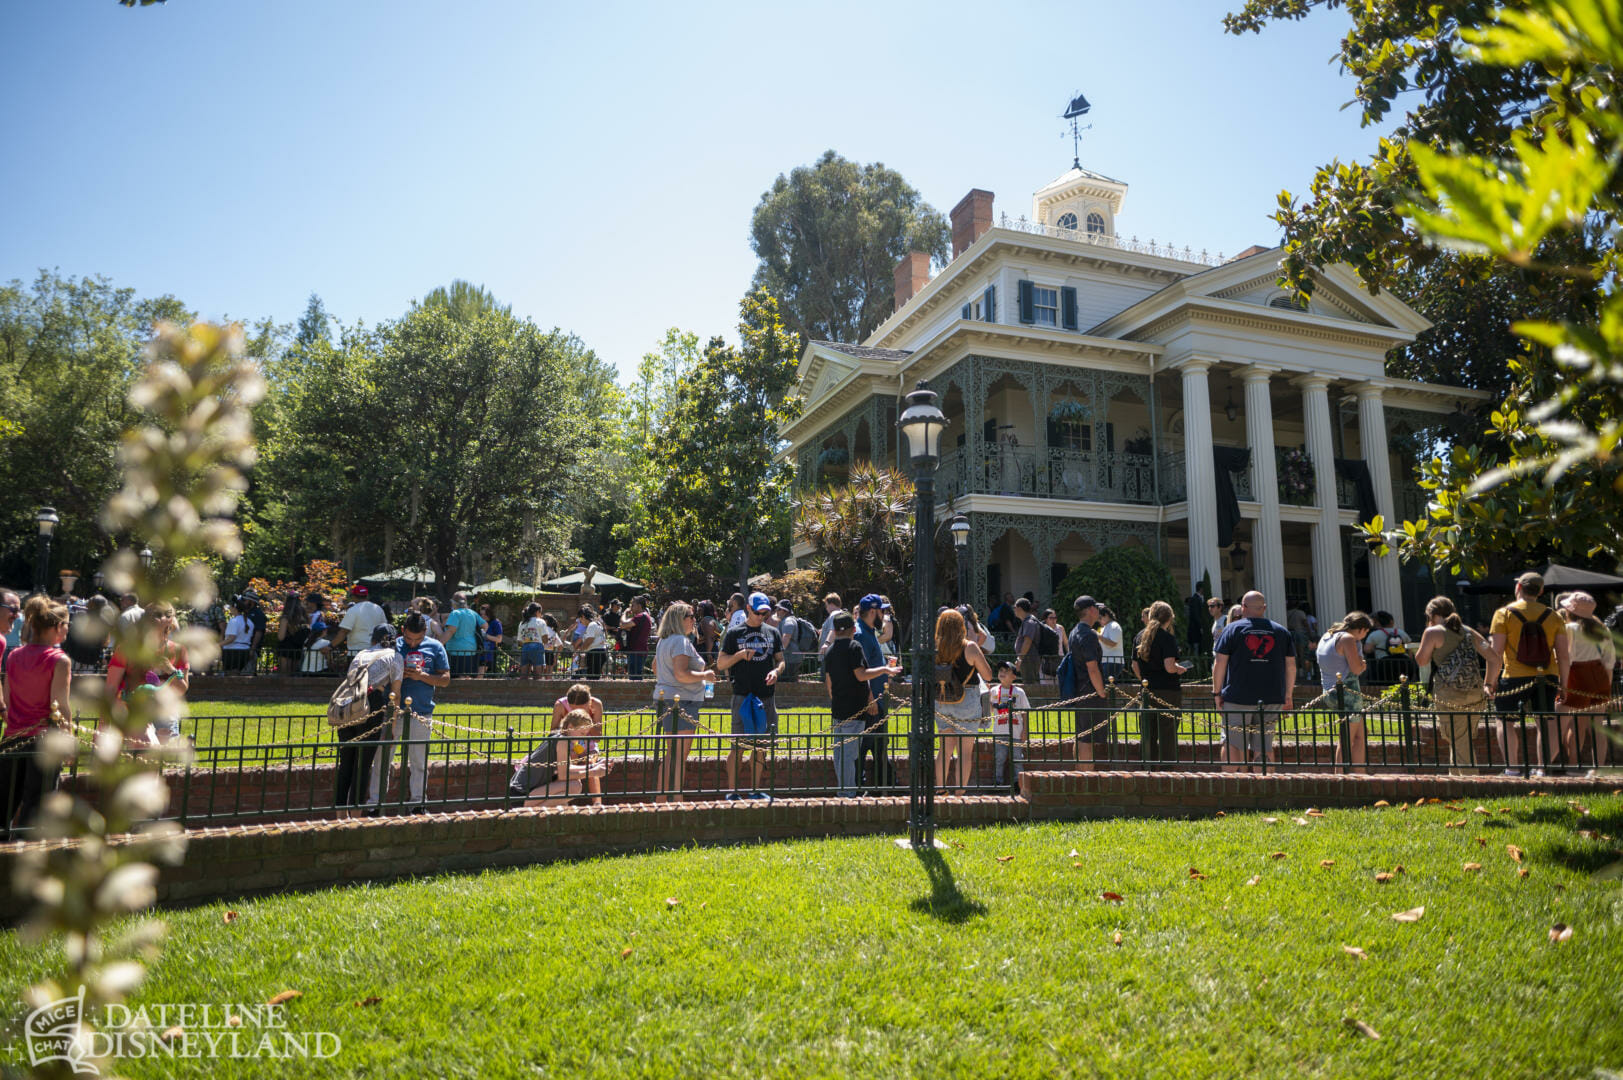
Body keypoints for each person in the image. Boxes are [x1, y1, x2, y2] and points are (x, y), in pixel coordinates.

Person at [1486, 571, 1571, 776]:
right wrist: (1564, 685)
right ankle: (1543, 769)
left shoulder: (1503, 614)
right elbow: (1563, 655)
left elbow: (1496, 653)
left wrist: (1490, 681)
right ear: (1541, 591)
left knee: (1505, 721)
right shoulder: (1554, 616)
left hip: (1514, 675)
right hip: (1547, 675)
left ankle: (1512, 769)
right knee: (1546, 721)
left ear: (1518, 588)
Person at [1, 596, 71, 835]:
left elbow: (8, 703)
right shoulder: (59, 660)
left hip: (12, 738)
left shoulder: (13, 656)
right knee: (36, 807)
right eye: (67, 624)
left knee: (4, 805)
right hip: (44, 742)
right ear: (57, 627)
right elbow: (60, 706)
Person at [369, 612, 449, 813]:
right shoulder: (392, 646)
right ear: (403, 631)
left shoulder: (435, 646)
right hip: (391, 710)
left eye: (418, 639)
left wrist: (423, 676)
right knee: (382, 759)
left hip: (421, 711)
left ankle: (417, 804)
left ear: (425, 632)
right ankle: (374, 804)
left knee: (419, 760)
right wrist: (395, 674)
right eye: (409, 639)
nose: (413, 643)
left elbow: (446, 679)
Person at [1212, 591, 1295, 772]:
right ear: (1264, 608)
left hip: (1238, 696)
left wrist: (1216, 693)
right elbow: (1291, 667)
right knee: (1264, 746)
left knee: (1233, 743)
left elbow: (1219, 664)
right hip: (1272, 696)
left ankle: (1233, 786)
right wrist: (1287, 695)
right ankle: (1264, 788)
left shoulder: (1231, 629)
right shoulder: (1282, 632)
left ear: (1243, 608)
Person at [824, 610, 901, 797]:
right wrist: (884, 669)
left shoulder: (830, 650)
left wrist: (836, 699)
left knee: (840, 754)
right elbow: (861, 675)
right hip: (855, 709)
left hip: (838, 709)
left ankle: (843, 790)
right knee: (850, 755)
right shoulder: (854, 646)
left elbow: (828, 681)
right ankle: (847, 794)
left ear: (834, 630)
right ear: (852, 628)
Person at [1415, 596, 1495, 774]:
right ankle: (1455, 779)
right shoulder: (1469, 631)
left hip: (1449, 694)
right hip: (1475, 693)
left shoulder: (1433, 632)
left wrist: (1428, 636)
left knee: (1459, 739)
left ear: (1432, 615)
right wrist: (1488, 684)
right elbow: (1494, 658)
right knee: (1460, 738)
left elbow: (1421, 660)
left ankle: (1471, 784)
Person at [716, 593, 783, 799]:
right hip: (742, 695)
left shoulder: (773, 632)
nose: (761, 616)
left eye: (765, 612)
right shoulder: (734, 633)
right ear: (747, 608)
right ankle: (732, 791)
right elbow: (720, 664)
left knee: (761, 746)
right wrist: (739, 655)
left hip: (766, 697)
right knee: (738, 746)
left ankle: (755, 790)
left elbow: (781, 660)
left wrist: (776, 672)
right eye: (757, 612)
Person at [333, 623, 402, 817]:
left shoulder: (360, 654)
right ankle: (355, 815)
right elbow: (395, 695)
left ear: (373, 638)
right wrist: (392, 726)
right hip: (371, 703)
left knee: (346, 762)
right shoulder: (395, 657)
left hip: (347, 704)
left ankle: (339, 815)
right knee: (363, 764)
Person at [652, 601, 714, 801]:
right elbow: (681, 674)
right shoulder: (680, 641)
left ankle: (662, 800)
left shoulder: (665, 640)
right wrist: (706, 676)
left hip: (667, 698)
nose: (694, 620)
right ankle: (675, 801)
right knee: (678, 756)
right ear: (680, 619)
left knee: (672, 754)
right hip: (682, 702)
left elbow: (655, 668)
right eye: (691, 616)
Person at [105, 601, 190, 745]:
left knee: (164, 758)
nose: (150, 619)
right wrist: (103, 724)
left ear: (169, 619)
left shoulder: (178, 650)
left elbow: (182, 689)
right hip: (133, 708)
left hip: (164, 711)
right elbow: (110, 688)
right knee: (145, 752)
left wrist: (171, 670)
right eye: (147, 615)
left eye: (157, 615)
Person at [933, 607, 995, 793]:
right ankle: (959, 794)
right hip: (967, 698)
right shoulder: (969, 647)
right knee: (965, 752)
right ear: (961, 625)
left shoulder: (935, 648)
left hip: (943, 698)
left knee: (944, 749)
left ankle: (940, 790)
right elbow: (988, 675)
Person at [1559, 591, 1615, 773]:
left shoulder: (1570, 629)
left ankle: (1573, 765)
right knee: (1598, 726)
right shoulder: (1602, 629)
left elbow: (1566, 657)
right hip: (1600, 676)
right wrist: (1607, 684)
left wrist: (1562, 684)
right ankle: (1598, 767)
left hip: (1578, 674)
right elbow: (1610, 661)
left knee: (1576, 725)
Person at [1132, 601, 1189, 766]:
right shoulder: (1168, 638)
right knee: (1168, 731)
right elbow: (1169, 667)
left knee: (1148, 731)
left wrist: (1144, 680)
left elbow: (1134, 665)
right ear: (1169, 618)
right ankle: (1167, 769)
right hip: (1168, 690)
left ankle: (1147, 766)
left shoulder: (1139, 636)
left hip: (1147, 690)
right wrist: (1179, 669)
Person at [1316, 612, 1374, 769]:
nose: (1365, 636)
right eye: (1366, 632)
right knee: (1346, 739)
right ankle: (1340, 778)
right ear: (1361, 629)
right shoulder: (1348, 639)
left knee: (1361, 736)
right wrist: (1362, 665)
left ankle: (1359, 775)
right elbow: (1356, 669)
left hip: (1329, 690)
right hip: (1347, 693)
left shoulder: (1328, 635)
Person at [514, 708, 606, 806]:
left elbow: (567, 768)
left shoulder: (559, 737)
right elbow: (564, 775)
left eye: (586, 734)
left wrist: (594, 766)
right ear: (570, 727)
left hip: (524, 793)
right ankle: (533, 813)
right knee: (574, 786)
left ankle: (536, 812)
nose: (583, 737)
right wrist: (593, 772)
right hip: (521, 794)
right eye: (582, 733)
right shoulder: (562, 741)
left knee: (565, 797)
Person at [852, 595, 895, 793]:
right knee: (864, 747)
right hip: (871, 702)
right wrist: (870, 700)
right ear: (872, 612)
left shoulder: (869, 631)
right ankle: (859, 788)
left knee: (879, 746)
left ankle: (882, 788)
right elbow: (861, 671)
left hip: (878, 699)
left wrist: (886, 670)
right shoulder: (861, 634)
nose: (885, 615)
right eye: (882, 611)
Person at [1067, 595, 1111, 768]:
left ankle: (1080, 775)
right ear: (1091, 610)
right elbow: (1092, 667)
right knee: (1088, 738)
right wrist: (1101, 691)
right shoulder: (1088, 635)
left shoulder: (1075, 631)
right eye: (1097, 608)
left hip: (1079, 690)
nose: (1099, 612)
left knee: (1081, 735)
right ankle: (1085, 779)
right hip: (1090, 691)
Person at [550, 684, 604, 805]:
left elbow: (598, 737)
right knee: (571, 760)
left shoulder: (596, 705)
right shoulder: (560, 705)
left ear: (588, 702)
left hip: (589, 747)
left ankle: (598, 804)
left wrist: (585, 725)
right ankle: (564, 801)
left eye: (580, 708)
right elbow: (552, 733)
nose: (576, 712)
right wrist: (569, 729)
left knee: (590, 763)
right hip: (568, 746)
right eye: (572, 709)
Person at [989, 660, 1031, 786]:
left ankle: (1018, 782)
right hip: (999, 732)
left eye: (1006, 671)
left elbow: (1025, 712)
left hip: (1016, 733)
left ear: (1014, 676)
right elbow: (990, 710)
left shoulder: (1019, 692)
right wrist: (986, 696)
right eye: (1001, 670)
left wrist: (1025, 731)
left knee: (1017, 758)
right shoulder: (994, 691)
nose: (1002, 673)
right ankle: (998, 781)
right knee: (999, 758)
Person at [329, 584, 386, 656]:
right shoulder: (378, 608)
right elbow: (384, 628)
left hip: (357, 652)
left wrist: (330, 646)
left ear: (353, 596)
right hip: (376, 651)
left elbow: (344, 631)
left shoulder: (353, 610)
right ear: (367, 596)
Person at [439, 592, 486, 678]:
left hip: (456, 651)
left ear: (454, 602)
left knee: (457, 678)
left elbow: (450, 631)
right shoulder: (473, 613)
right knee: (467, 677)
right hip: (471, 650)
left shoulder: (455, 613)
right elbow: (485, 625)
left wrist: (438, 644)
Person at [777, 600, 811, 683]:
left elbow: (786, 637)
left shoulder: (788, 621)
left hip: (789, 659)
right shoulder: (788, 620)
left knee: (784, 684)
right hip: (792, 658)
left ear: (784, 610)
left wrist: (778, 654)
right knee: (791, 683)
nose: (776, 611)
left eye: (778, 609)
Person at [1012, 597, 1042, 688]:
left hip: (1029, 659)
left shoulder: (1029, 622)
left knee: (1029, 685)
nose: (1013, 610)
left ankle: (1031, 702)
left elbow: (1027, 642)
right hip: (1027, 658)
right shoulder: (1027, 621)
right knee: (1028, 683)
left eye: (1014, 607)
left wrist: (1020, 658)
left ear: (1020, 608)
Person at [624, 595, 654, 681]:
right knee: (634, 678)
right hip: (637, 651)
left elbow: (623, 625)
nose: (630, 607)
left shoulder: (641, 616)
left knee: (635, 679)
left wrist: (624, 614)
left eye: (633, 605)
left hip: (637, 651)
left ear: (639, 606)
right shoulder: (642, 616)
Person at [275, 590, 307, 673]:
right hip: (298, 648)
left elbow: (281, 637)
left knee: (285, 675)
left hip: (286, 650)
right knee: (294, 675)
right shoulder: (303, 618)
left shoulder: (285, 618)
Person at [221, 601, 255, 673]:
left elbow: (231, 638)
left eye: (231, 608)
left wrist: (217, 645)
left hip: (232, 652)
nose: (230, 609)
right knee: (237, 674)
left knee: (230, 675)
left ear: (235, 609)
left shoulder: (234, 621)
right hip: (245, 651)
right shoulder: (250, 622)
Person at [516, 603, 547, 678]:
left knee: (524, 674)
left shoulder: (522, 623)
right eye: (540, 612)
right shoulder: (541, 622)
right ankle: (537, 689)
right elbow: (545, 639)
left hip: (525, 647)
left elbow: (519, 641)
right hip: (537, 646)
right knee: (538, 675)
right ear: (537, 612)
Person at [1097, 605, 1125, 685]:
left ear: (1106, 615)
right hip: (1107, 661)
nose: (1099, 621)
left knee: (1108, 686)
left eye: (1100, 618)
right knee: (1106, 686)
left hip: (1112, 662)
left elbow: (1113, 643)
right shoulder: (1106, 627)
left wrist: (1098, 636)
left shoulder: (1114, 626)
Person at [476, 603, 503, 676]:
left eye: (485, 614)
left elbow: (499, 639)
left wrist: (486, 636)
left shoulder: (496, 623)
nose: (483, 616)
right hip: (477, 653)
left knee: (479, 675)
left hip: (487, 654)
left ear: (490, 614)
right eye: (481, 615)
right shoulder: (478, 623)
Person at [1039, 608, 1064, 683]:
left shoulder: (1060, 628)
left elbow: (1066, 643)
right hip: (1046, 660)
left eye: (1055, 618)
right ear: (1045, 619)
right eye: (1051, 618)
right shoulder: (1041, 629)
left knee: (1059, 683)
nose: (1054, 620)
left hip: (1059, 659)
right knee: (1046, 683)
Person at [696, 599, 723, 664]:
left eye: (700, 606)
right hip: (713, 651)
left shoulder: (706, 620)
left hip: (708, 654)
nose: (697, 608)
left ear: (705, 609)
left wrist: (708, 654)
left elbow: (709, 638)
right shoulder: (710, 619)